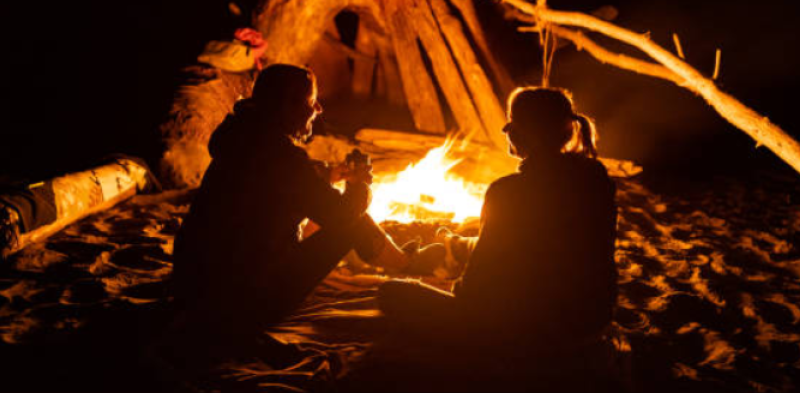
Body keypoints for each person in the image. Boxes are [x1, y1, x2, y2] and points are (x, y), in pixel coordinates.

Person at [170, 64, 436, 352]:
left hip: (190, 290)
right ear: (286, 105)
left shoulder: (238, 136)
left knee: (330, 209)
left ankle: (397, 257)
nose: (318, 109)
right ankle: (407, 264)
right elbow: (341, 213)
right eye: (311, 102)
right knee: (351, 220)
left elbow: (272, 181)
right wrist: (360, 185)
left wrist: (327, 175)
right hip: (240, 307)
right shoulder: (282, 157)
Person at [378, 86, 618, 352]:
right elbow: (543, 244)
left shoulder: (507, 192)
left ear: (523, 132)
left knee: (394, 293)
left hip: (526, 328)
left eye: (512, 123)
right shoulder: (596, 179)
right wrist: (457, 245)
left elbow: (476, 288)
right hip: (592, 320)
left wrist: (447, 279)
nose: (507, 131)